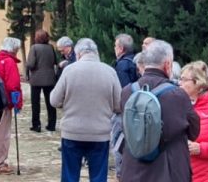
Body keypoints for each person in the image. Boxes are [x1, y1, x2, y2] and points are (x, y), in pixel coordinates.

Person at [119, 39, 199, 182]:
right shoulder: (177, 95)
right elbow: (194, 131)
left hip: (132, 169)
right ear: (168, 64)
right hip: (168, 170)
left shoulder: (127, 92)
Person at [50, 38, 122, 182]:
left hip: (72, 132)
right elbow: (119, 105)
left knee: (70, 176)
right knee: (98, 176)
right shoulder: (110, 72)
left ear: (78, 54)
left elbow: (54, 100)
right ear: (96, 53)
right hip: (99, 133)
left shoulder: (69, 70)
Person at [0, 37, 23, 175]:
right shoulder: (9, 62)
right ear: (14, 49)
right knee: (3, 132)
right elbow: (13, 84)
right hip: (5, 101)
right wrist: (17, 102)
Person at [111, 33, 139, 177]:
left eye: (115, 46)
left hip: (124, 112)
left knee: (118, 145)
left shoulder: (122, 65)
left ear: (121, 48)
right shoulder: (136, 61)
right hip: (137, 109)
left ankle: (121, 175)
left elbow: (123, 90)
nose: (114, 48)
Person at [26, 29, 59, 132]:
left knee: (35, 103)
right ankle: (51, 124)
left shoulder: (34, 48)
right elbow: (55, 61)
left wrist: (29, 69)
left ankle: (36, 125)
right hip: (50, 78)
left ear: (37, 38)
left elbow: (31, 64)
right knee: (50, 102)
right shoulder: (51, 47)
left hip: (36, 78)